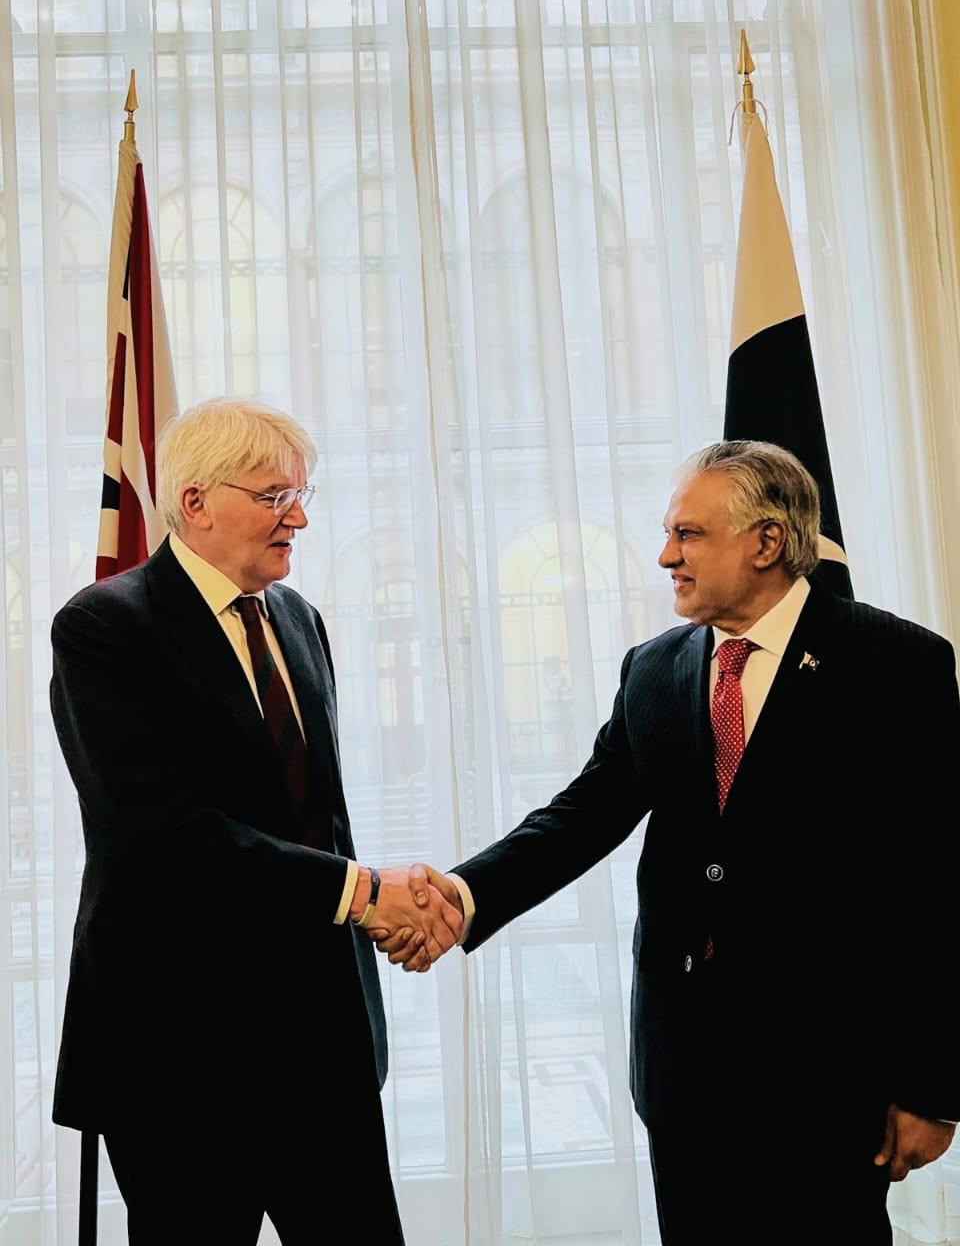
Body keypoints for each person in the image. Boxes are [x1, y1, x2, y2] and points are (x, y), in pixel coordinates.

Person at [376, 440, 960, 1245]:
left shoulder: (898, 665)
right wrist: (462, 895)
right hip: (684, 1068)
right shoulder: (653, 668)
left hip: (828, 1071)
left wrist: (930, 1087)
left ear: (765, 542)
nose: (664, 557)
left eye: (688, 535)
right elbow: (581, 816)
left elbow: (936, 883)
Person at [50, 399, 462, 1245]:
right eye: (276, 495)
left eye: (302, 493)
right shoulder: (104, 628)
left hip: (324, 1045)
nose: (300, 517)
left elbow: (318, 821)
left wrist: (388, 907)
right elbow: (165, 839)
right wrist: (364, 891)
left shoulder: (299, 622)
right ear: (194, 503)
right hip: (181, 1058)